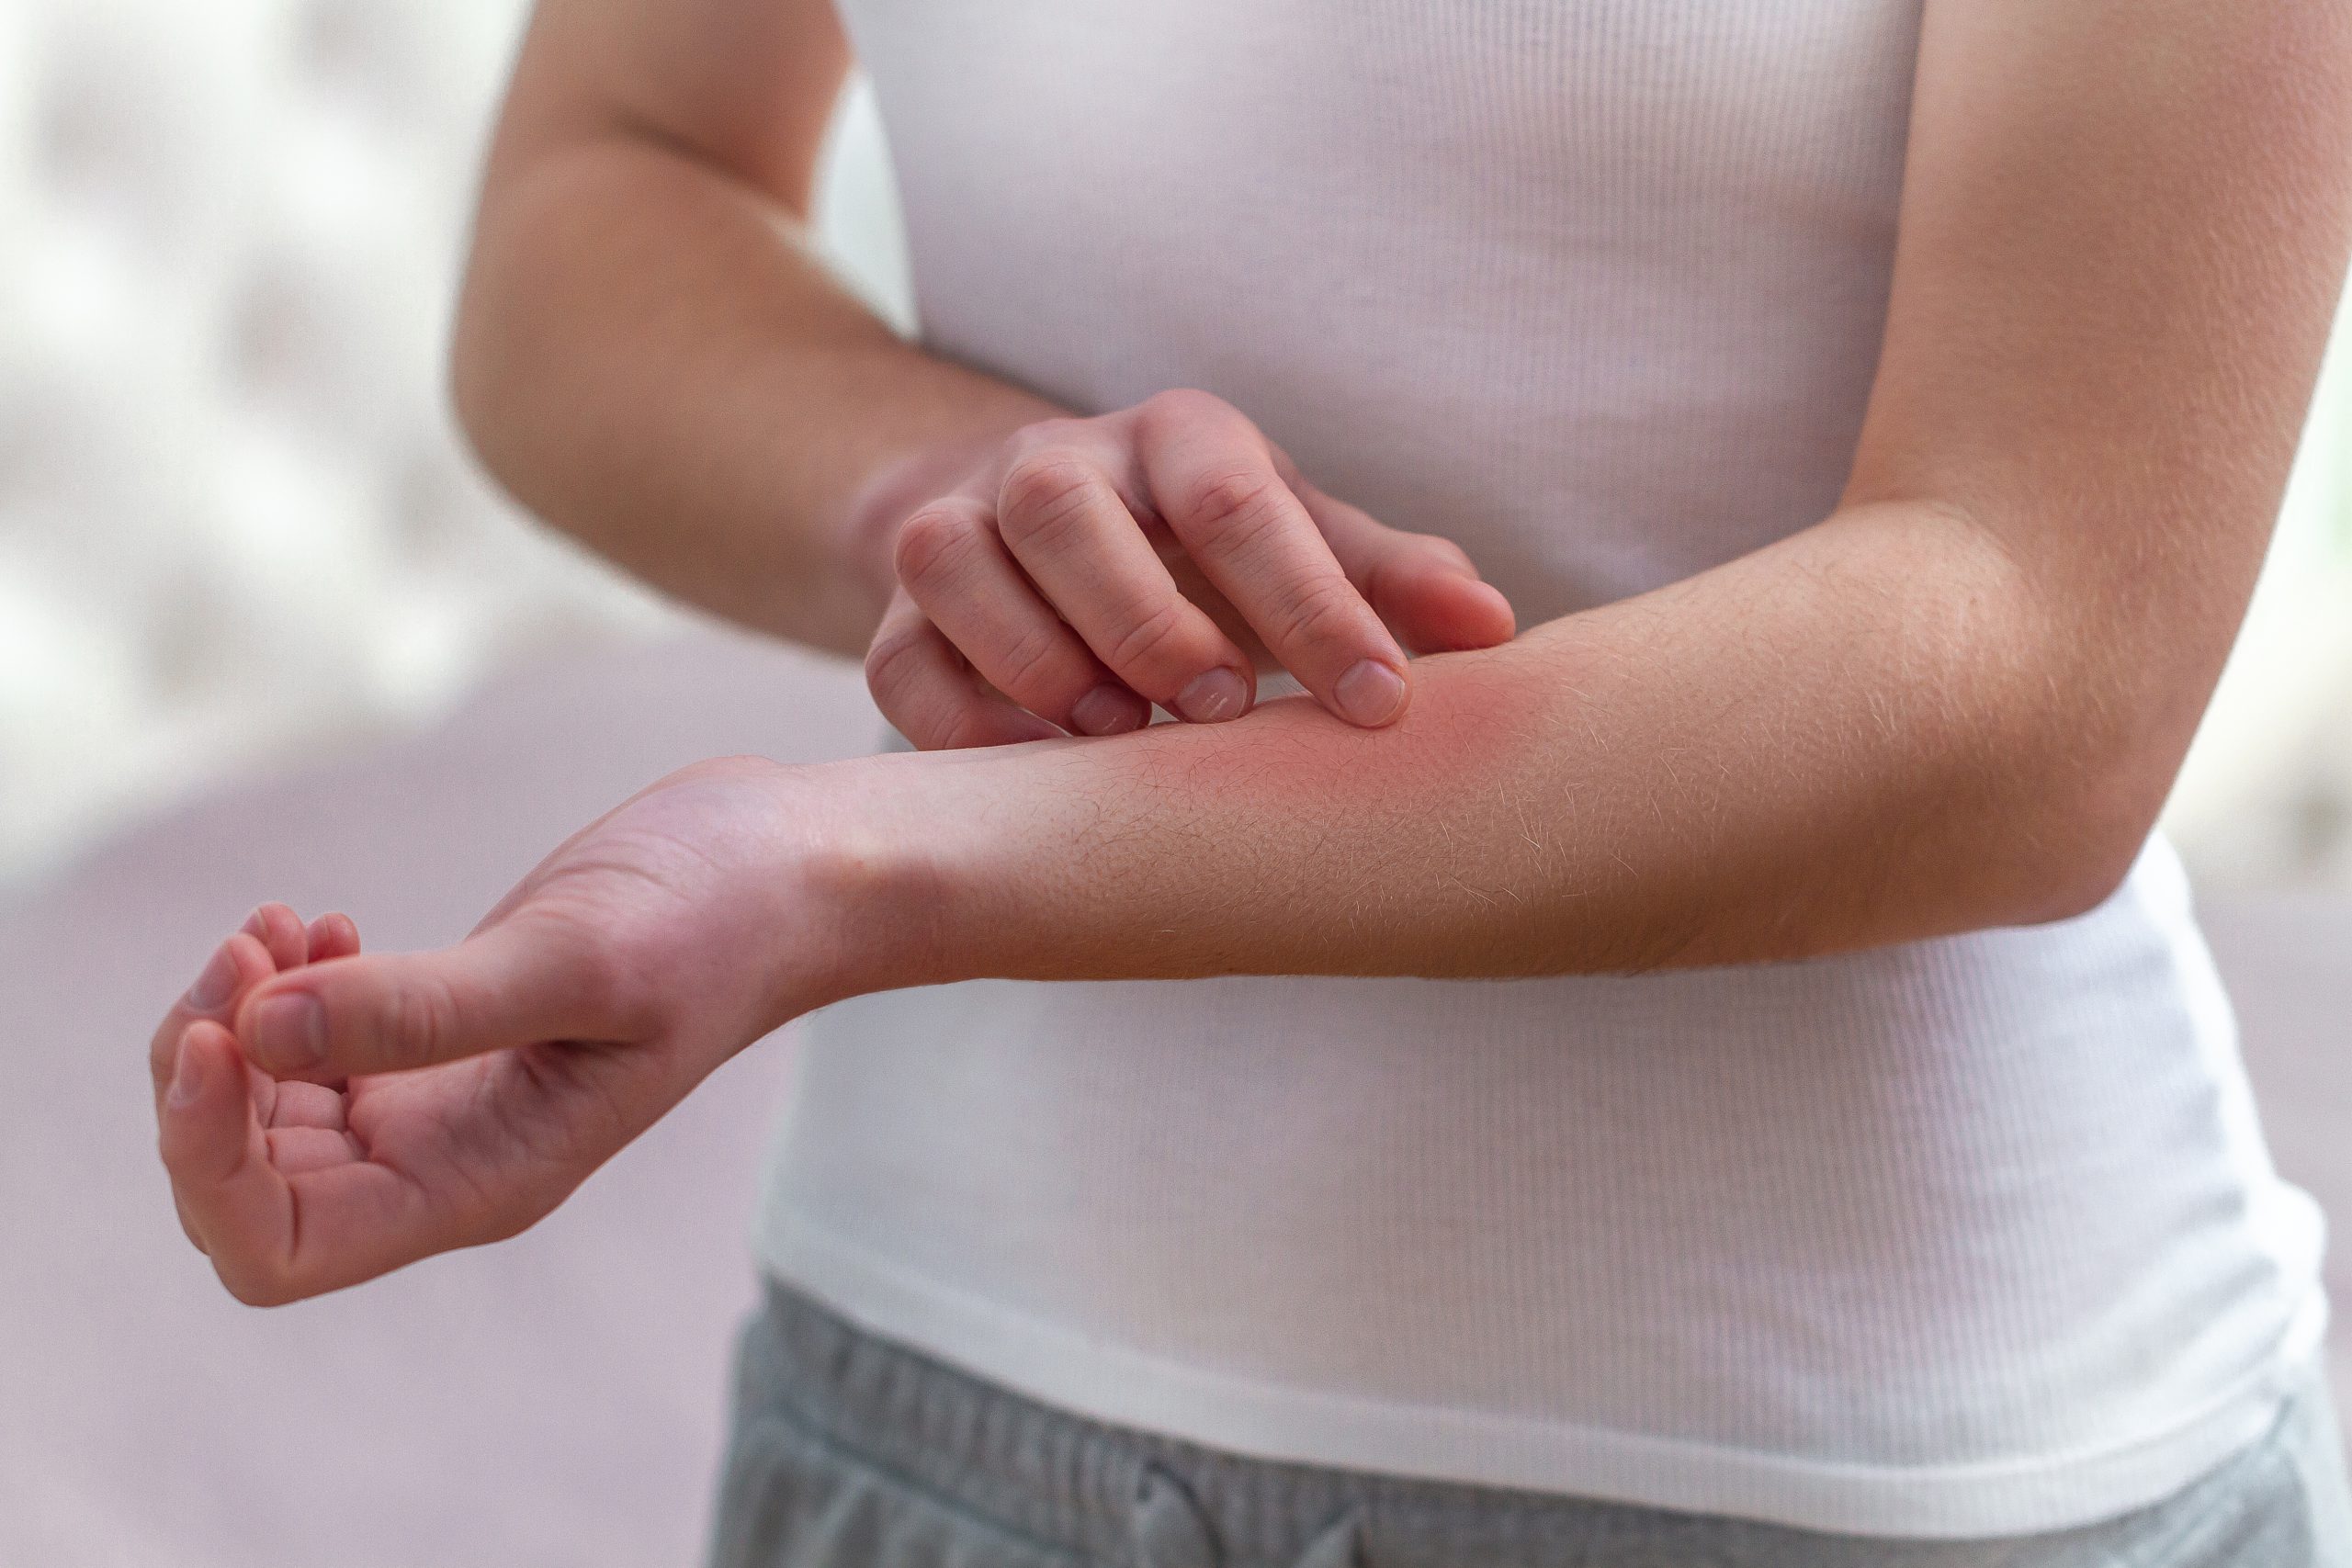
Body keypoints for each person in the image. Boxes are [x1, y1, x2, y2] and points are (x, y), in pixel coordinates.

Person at [148, 0, 2352, 1562]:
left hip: (1860, 1477)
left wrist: (864, 868)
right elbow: (605, 187)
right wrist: (968, 512)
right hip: (927, 1423)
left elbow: (2033, 667)